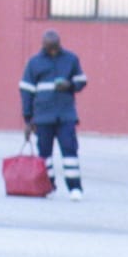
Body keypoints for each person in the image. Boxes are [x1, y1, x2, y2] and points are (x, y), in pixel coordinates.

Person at [19, 30, 88, 200]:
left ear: (59, 43)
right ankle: (49, 186)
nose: (51, 49)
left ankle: (75, 188)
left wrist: (70, 85)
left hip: (66, 115)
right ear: (43, 44)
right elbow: (26, 91)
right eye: (48, 46)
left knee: (70, 151)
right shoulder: (34, 63)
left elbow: (81, 80)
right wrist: (28, 119)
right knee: (45, 154)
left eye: (54, 46)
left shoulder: (71, 59)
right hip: (43, 116)